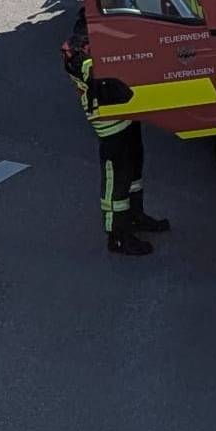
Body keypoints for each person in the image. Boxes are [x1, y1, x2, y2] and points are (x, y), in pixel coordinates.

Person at [62, 17, 169, 256]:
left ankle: (135, 216)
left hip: (126, 115)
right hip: (109, 124)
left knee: (134, 171)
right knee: (116, 179)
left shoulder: (87, 49)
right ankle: (117, 235)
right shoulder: (78, 58)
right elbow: (98, 73)